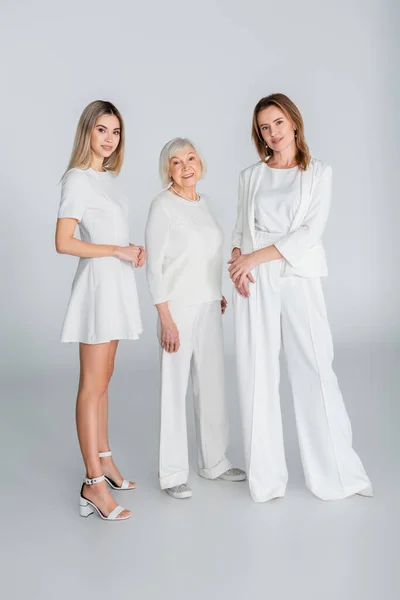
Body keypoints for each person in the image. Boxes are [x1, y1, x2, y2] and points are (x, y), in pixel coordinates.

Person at [229, 93, 372, 503]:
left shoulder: (319, 173)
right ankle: (267, 480)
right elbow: (241, 229)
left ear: (293, 122)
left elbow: (310, 232)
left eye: (277, 122)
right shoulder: (249, 176)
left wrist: (255, 257)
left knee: (314, 367)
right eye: (264, 127)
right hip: (253, 279)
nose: (272, 133)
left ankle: (339, 475)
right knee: (257, 372)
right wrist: (238, 264)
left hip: (297, 274)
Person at [55, 100, 145, 520]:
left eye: (116, 132)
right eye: (102, 130)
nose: (109, 139)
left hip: (117, 284)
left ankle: (104, 460)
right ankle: (93, 484)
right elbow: (64, 241)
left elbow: (115, 233)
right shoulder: (77, 179)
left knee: (105, 380)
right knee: (91, 384)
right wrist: (115, 250)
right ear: (87, 132)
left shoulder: (109, 180)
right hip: (96, 287)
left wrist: (130, 253)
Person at [145, 137, 246, 499]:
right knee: (174, 389)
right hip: (177, 309)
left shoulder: (206, 205)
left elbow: (204, 255)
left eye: (190, 158)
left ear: (200, 162)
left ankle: (214, 462)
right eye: (176, 162)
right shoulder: (163, 206)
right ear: (167, 170)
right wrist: (165, 317)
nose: (186, 166)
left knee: (212, 383)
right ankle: (172, 474)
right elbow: (155, 267)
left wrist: (216, 290)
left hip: (208, 306)